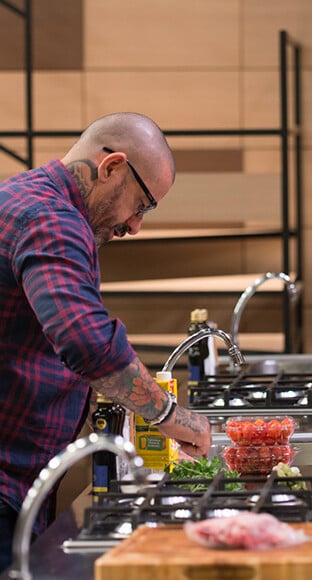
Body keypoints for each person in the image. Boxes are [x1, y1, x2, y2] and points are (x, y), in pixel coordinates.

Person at [0, 112, 212, 572]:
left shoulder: (29, 198)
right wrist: (172, 415)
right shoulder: (50, 219)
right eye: (141, 204)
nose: (135, 225)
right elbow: (86, 341)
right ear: (112, 166)